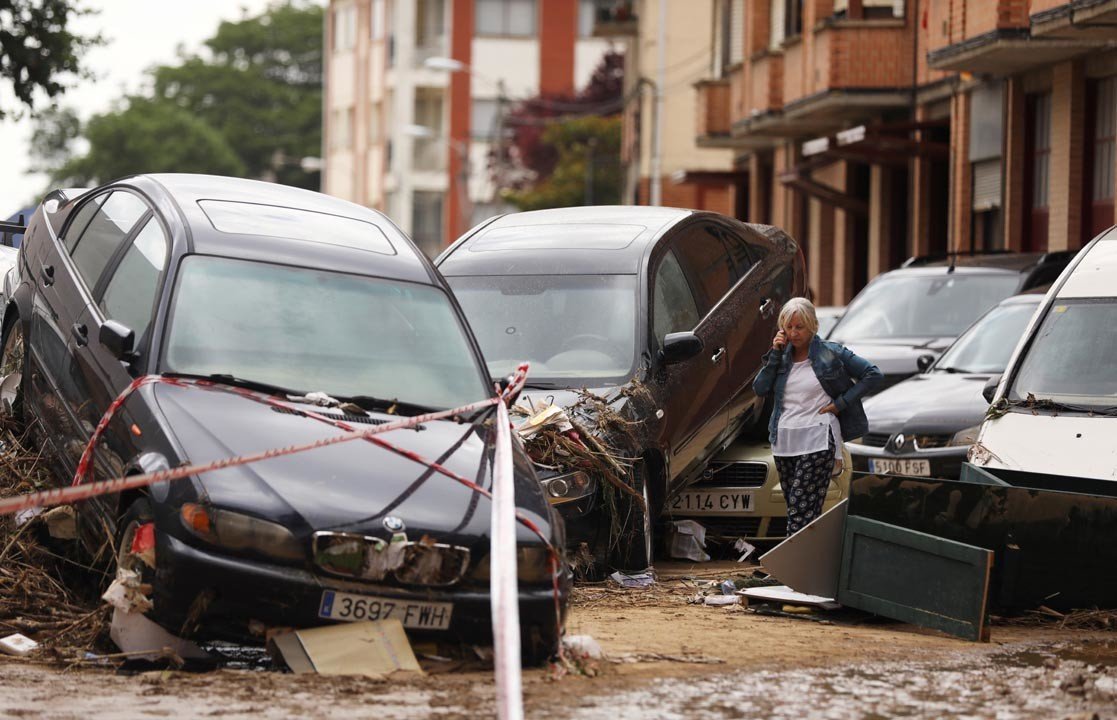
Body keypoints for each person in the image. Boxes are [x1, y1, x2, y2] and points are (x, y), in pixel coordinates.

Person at [753, 297, 881, 534]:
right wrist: (775, 354)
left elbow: (873, 374)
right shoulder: (780, 357)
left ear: (813, 325)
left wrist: (840, 404)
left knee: (800, 509)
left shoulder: (830, 353)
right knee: (798, 508)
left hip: (818, 438)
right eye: (789, 327)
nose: (793, 333)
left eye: (799, 327)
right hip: (784, 441)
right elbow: (760, 388)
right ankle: (810, 554)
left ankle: (793, 556)